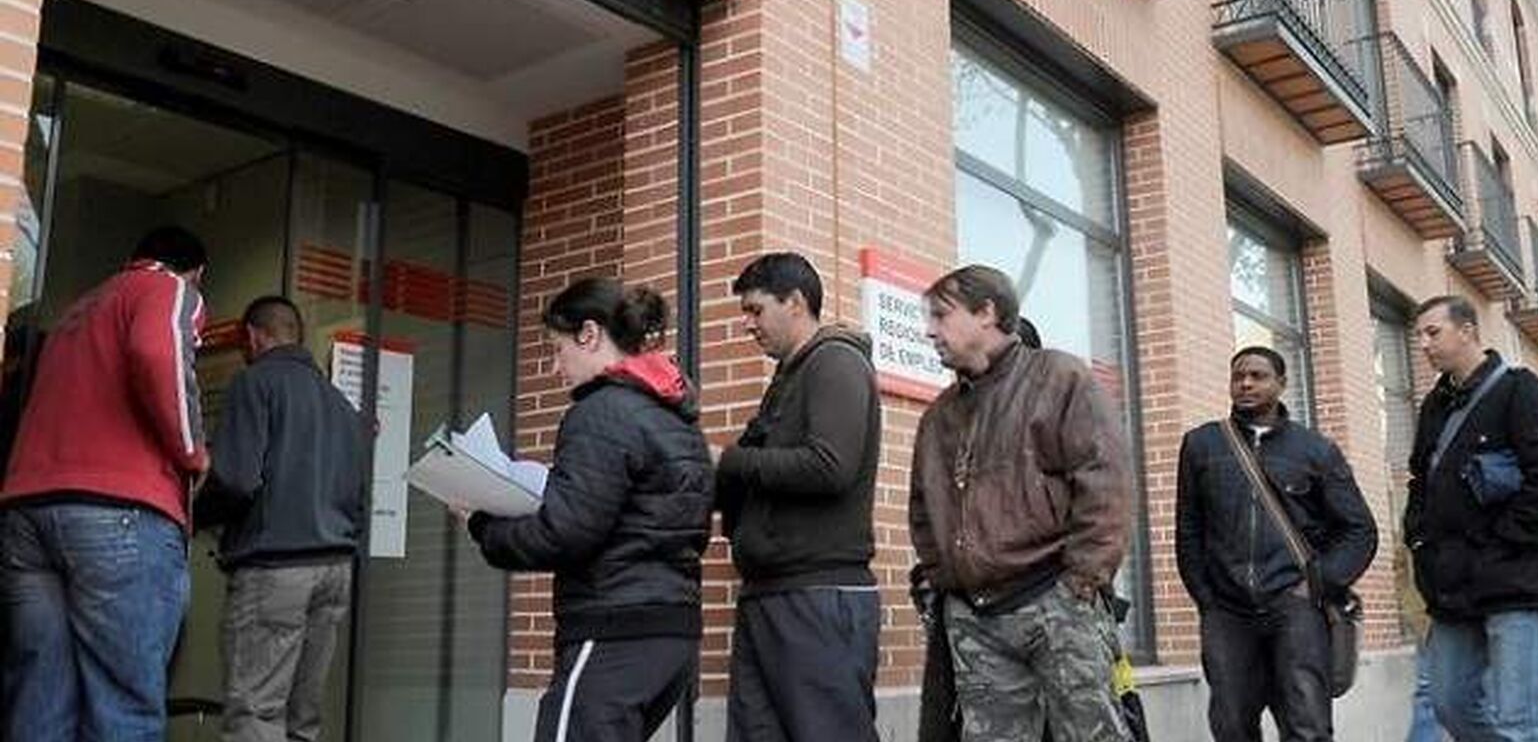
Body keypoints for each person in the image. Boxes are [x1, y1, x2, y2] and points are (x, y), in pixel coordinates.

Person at [467, 278, 712, 742]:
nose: (556, 367)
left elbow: (565, 533)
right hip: (671, 633)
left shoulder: (601, 413)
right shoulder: (675, 418)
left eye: (558, 349)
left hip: (612, 631)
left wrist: (482, 524)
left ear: (590, 334)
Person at [0, 225, 210, 741]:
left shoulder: (79, 310)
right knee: (125, 705)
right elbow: (158, 355)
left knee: (39, 701)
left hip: (29, 512)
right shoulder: (168, 289)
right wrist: (193, 452)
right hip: (120, 515)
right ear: (195, 273)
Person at [910, 264, 1134, 742]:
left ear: (987, 312)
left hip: (1057, 600)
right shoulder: (937, 416)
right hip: (975, 616)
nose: (929, 330)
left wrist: (1081, 581)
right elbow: (922, 511)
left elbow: (1105, 484)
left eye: (942, 316)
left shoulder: (1060, 377)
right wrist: (947, 578)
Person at [716, 252, 883, 741]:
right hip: (771, 593)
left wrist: (726, 461)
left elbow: (829, 466)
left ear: (794, 302)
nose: (748, 325)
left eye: (755, 310)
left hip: (818, 598)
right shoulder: (787, 377)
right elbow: (750, 474)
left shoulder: (837, 363)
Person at [1175, 346, 1378, 742]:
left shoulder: (1316, 450)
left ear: (1281, 384)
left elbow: (1360, 531)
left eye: (1258, 376)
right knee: (1231, 726)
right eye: (1239, 376)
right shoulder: (1202, 444)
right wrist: (1206, 598)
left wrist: (1316, 585)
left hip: (1295, 606)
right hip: (1227, 610)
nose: (1246, 383)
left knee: (1307, 726)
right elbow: (1189, 530)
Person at [192, 296, 365, 742]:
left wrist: (187, 516)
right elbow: (356, 495)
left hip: (275, 569)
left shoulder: (255, 383)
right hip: (335, 570)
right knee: (302, 718)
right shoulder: (341, 405)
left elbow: (236, 480)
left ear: (252, 335)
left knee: (256, 712)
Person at [1404, 294, 1538, 742]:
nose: (1423, 344)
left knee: (1520, 721)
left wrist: (1502, 540)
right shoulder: (1434, 406)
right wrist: (1418, 540)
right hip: (1452, 587)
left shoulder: (1520, 388)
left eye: (1432, 332)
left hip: (1513, 580)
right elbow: (1420, 480)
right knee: (1449, 702)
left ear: (1468, 330)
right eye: (1418, 334)